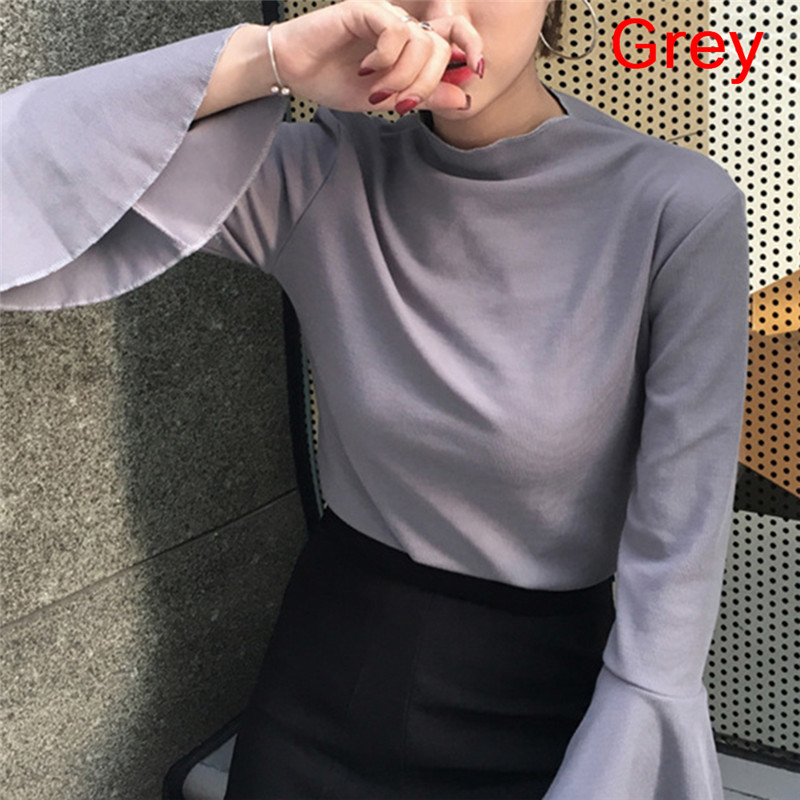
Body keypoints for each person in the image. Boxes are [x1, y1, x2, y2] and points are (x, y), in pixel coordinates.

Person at [0, 1, 750, 798]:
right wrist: (272, 61)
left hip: (554, 703)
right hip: (329, 675)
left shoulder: (675, 208)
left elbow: (681, 531)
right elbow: (26, 180)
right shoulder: (324, 174)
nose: (446, 12)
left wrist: (638, 718)